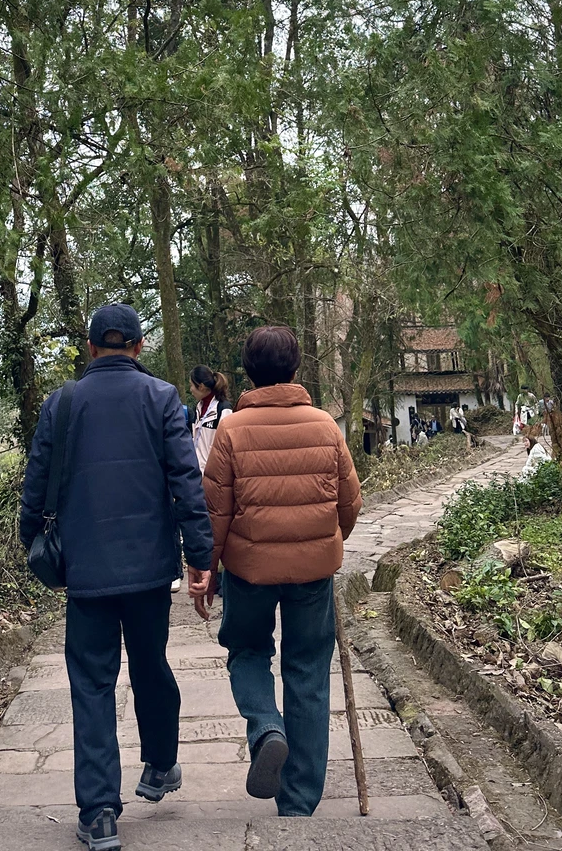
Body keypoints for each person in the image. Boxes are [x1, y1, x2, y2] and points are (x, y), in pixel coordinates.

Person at [20, 304, 213, 851]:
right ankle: (161, 764)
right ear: (139, 345)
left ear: (89, 348)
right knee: (150, 663)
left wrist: (35, 542)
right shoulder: (162, 400)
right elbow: (185, 484)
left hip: (85, 572)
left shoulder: (62, 404)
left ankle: (100, 813)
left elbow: (35, 489)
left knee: (91, 684)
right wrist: (200, 556)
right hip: (151, 569)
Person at [198, 325, 361, 818]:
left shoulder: (231, 431)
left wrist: (206, 571)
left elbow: (215, 514)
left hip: (249, 571)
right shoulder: (325, 426)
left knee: (247, 650)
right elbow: (349, 504)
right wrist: (322, 544)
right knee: (308, 669)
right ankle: (299, 801)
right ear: (295, 369)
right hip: (312, 573)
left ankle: (267, 727)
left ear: (249, 372)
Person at [189, 364, 233, 473]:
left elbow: (227, 446)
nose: (190, 390)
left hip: (213, 475)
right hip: (196, 474)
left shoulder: (223, 409)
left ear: (201, 386)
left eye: (191, 385)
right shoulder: (197, 408)